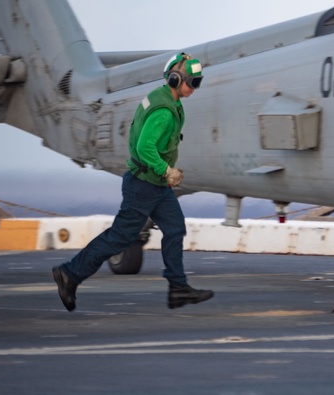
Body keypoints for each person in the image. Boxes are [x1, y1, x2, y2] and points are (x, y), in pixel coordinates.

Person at [52, 52, 214, 311]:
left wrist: (163, 174)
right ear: (174, 79)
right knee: (120, 237)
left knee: (174, 229)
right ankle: (69, 274)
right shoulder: (164, 111)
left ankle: (178, 288)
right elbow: (145, 146)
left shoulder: (164, 97)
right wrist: (167, 170)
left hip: (155, 184)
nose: (194, 88)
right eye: (191, 82)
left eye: (198, 82)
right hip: (144, 185)